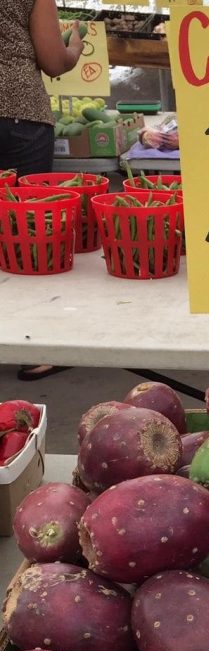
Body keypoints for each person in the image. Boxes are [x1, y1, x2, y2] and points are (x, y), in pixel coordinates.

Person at [0, 0, 84, 380]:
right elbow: (53, 60)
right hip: (18, 111)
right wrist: (75, 49)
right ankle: (36, 348)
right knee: (30, 233)